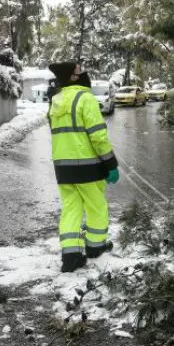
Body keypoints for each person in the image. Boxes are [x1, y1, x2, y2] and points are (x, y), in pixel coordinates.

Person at [47, 62, 120, 273]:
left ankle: (70, 256)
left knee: (71, 209)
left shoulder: (55, 101)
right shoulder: (84, 98)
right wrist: (111, 163)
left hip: (63, 167)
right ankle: (95, 247)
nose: (83, 74)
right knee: (96, 207)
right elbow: (98, 136)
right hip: (88, 166)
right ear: (71, 77)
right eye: (78, 72)